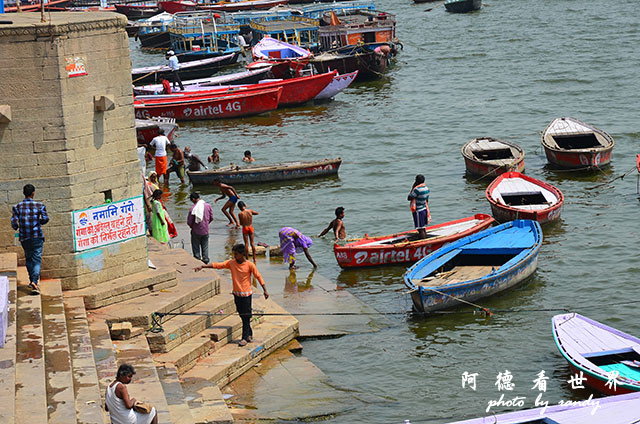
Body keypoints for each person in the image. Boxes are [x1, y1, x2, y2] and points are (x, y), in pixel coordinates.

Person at [194, 244, 269, 347]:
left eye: (236, 254)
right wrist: (203, 266)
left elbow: (258, 276)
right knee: (242, 315)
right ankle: (249, 334)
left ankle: (244, 338)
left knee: (245, 316)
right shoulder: (231, 263)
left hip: (246, 295)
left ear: (242, 254)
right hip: (237, 294)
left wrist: (265, 290)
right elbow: (218, 265)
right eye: (234, 254)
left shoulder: (249, 265)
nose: (234, 256)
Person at [11, 184, 49, 295]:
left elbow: (14, 222)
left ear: (24, 193)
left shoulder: (17, 207)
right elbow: (45, 218)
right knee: (36, 259)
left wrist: (17, 227)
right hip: (37, 236)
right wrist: (39, 222)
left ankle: (31, 279)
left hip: (24, 237)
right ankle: (34, 281)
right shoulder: (39, 205)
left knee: (28, 258)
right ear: (33, 193)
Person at [187, 192, 213, 264]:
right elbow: (211, 218)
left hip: (196, 231)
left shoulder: (193, 209)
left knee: (196, 247)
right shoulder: (208, 206)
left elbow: (189, 222)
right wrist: (206, 224)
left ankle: (197, 259)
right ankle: (205, 259)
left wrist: (193, 226)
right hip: (205, 230)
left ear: (193, 199)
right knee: (205, 246)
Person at [408, 174, 430, 239]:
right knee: (423, 227)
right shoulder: (426, 188)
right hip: (424, 209)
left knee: (420, 229)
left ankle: (423, 241)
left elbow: (409, 197)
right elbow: (427, 200)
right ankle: (424, 239)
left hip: (418, 211)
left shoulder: (417, 190)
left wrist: (413, 187)